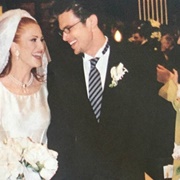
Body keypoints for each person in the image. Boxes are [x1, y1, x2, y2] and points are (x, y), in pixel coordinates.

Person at [47, 1, 148, 179]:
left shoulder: (136, 60)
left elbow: (146, 124)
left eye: (68, 28)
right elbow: (59, 135)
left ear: (91, 21)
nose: (64, 37)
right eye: (62, 31)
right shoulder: (60, 71)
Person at [0, 9, 57, 179]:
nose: (41, 47)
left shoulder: (47, 88)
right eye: (33, 40)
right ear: (13, 47)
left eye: (41, 40)